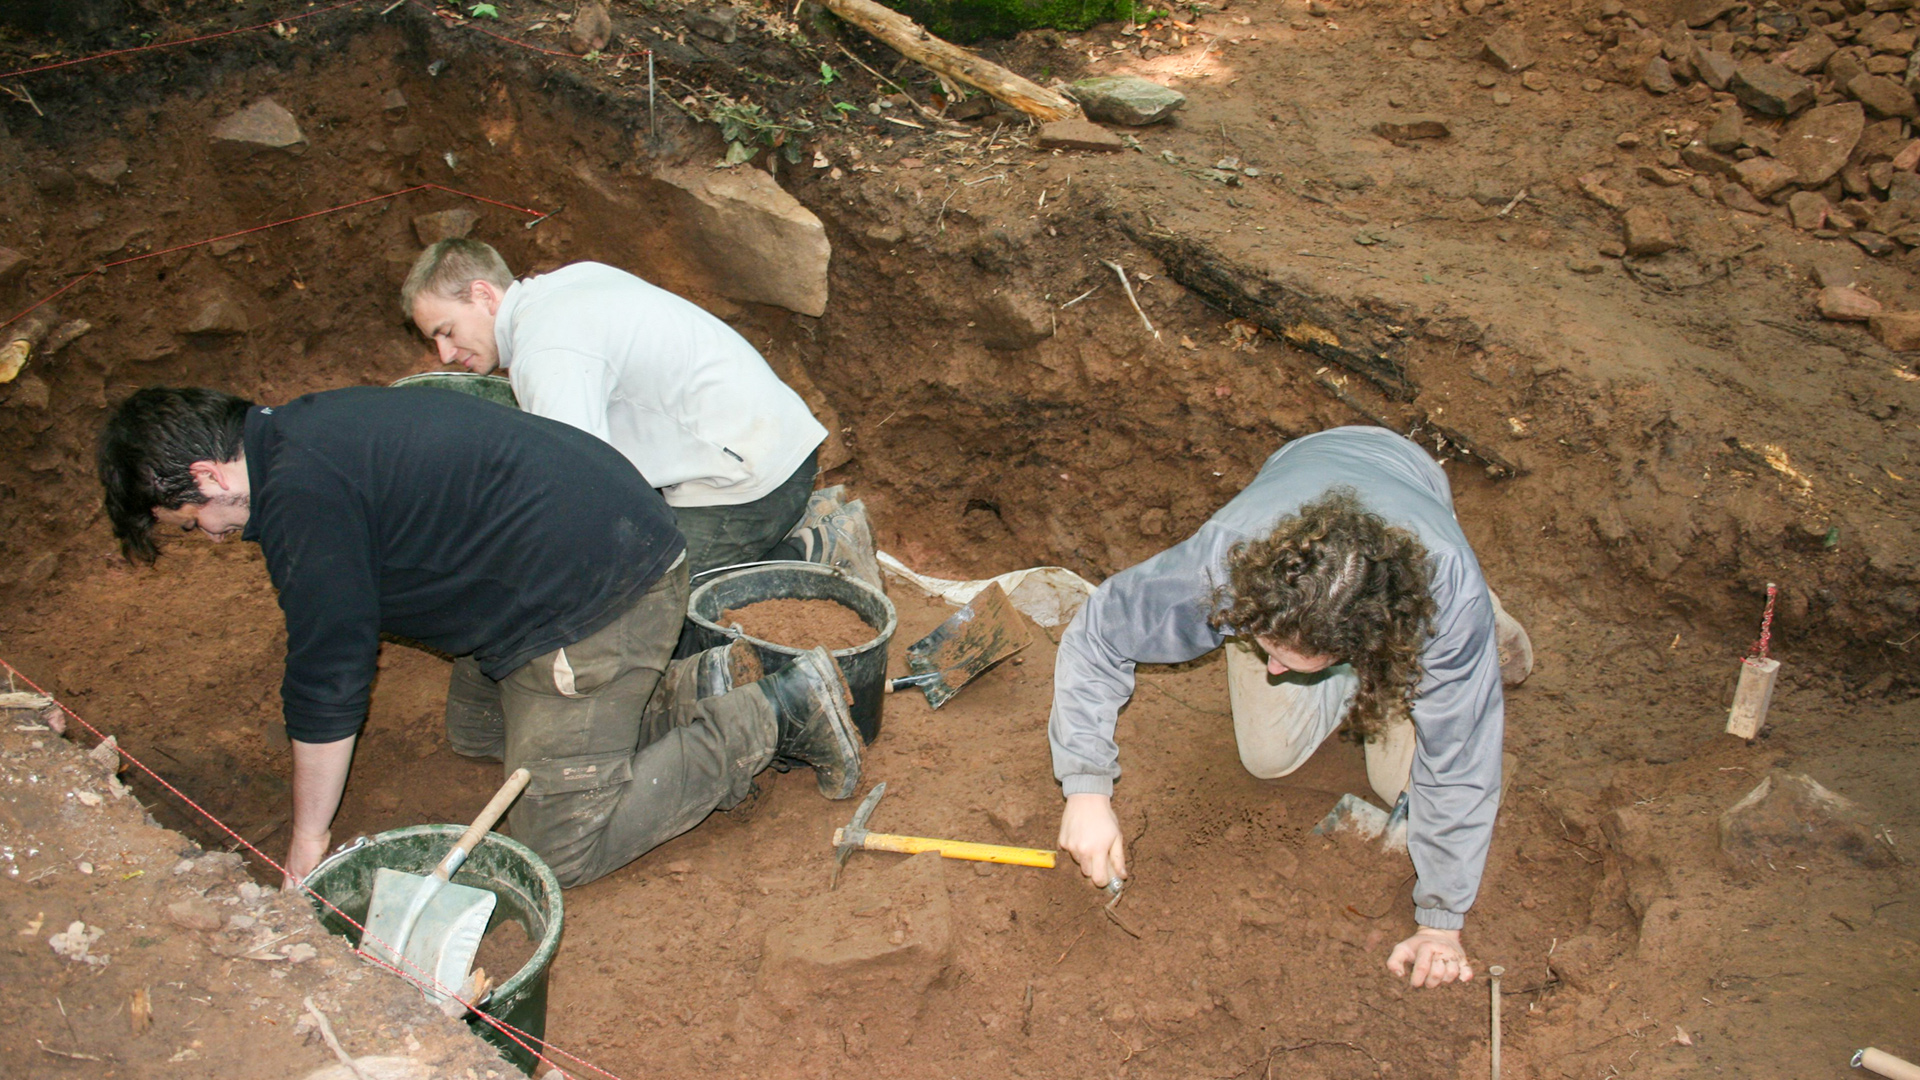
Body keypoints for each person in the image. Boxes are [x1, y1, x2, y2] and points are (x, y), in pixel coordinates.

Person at [97, 385, 865, 889]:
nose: (209, 536)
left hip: (599, 593)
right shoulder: (300, 435)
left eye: (190, 522)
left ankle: (774, 714)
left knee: (557, 849)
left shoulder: (300, 496)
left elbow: (329, 674)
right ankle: (690, 688)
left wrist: (307, 842)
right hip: (555, 567)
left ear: (208, 476)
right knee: (477, 734)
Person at [1048, 426, 1532, 989]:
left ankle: (1483, 628)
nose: (1272, 670)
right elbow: (1099, 634)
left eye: (1290, 660)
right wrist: (1086, 788)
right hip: (1301, 475)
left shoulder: (1444, 598)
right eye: (1267, 649)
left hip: (1417, 519)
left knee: (1401, 783)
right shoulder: (1225, 564)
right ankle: (1305, 657)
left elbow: (1461, 759)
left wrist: (1440, 922)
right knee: (1268, 757)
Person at [399, 237, 878, 586]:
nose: (444, 354)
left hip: (747, 483)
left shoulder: (546, 349)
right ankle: (799, 536)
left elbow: (578, 488)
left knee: (639, 606)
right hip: (767, 445)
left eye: (446, 331)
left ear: (483, 295)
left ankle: (813, 555)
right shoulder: (566, 284)